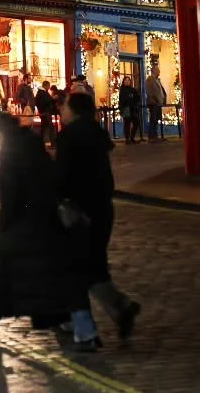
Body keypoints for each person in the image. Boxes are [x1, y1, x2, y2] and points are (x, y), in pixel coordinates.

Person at [0, 111, 100, 351]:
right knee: (65, 282)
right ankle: (85, 332)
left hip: (20, 230)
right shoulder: (36, 150)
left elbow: (12, 198)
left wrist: (5, 222)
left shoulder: (9, 157)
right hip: (49, 226)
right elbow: (55, 182)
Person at [56, 91, 140, 339]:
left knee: (74, 265)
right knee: (94, 265)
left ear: (75, 111)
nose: (61, 111)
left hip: (79, 211)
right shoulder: (96, 134)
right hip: (102, 209)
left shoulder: (69, 137)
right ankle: (121, 309)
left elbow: (63, 176)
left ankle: (75, 320)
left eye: (65, 107)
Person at [144, 70, 168, 142]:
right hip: (154, 103)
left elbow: (161, 90)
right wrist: (154, 100)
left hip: (158, 103)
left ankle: (155, 136)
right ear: (154, 71)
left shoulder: (157, 80)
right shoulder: (149, 80)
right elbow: (149, 92)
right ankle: (151, 136)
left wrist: (163, 98)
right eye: (158, 71)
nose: (159, 72)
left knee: (156, 120)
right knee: (153, 120)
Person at [118, 75, 141, 145]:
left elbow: (137, 97)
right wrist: (130, 97)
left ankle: (132, 137)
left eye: (128, 80)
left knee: (136, 122)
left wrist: (133, 97)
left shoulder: (132, 89)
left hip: (133, 109)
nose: (127, 82)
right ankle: (127, 139)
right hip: (126, 109)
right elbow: (123, 99)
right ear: (123, 82)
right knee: (127, 124)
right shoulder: (122, 90)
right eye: (126, 80)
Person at [35, 81, 58, 146]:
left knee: (44, 128)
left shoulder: (42, 93)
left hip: (45, 112)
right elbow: (46, 101)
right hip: (45, 112)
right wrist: (53, 99)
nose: (49, 87)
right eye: (48, 86)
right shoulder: (42, 93)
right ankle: (53, 143)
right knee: (50, 127)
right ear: (46, 85)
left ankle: (40, 142)